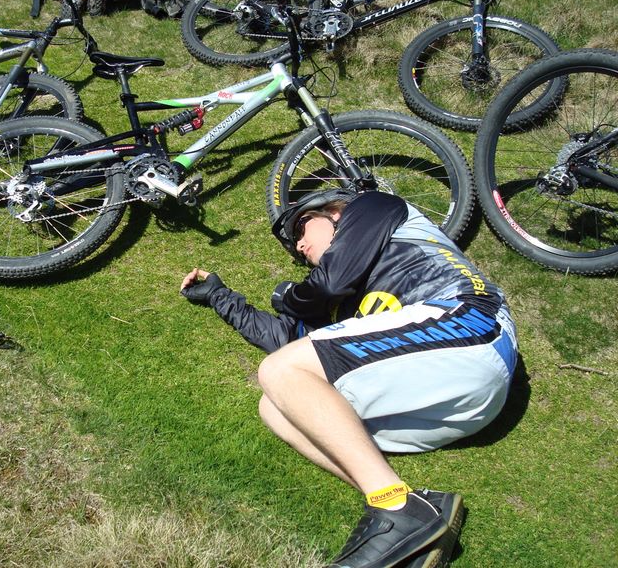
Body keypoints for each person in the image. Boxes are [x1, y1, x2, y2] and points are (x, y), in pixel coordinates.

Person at [180, 188, 518, 568]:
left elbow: (328, 283)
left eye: (301, 228)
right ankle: (408, 504)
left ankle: (395, 507)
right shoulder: (342, 303)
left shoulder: (374, 207)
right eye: (296, 246)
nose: (299, 246)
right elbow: (286, 341)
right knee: (275, 406)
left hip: (470, 324)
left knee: (278, 370)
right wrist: (219, 296)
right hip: (462, 403)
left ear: (333, 212)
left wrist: (290, 297)